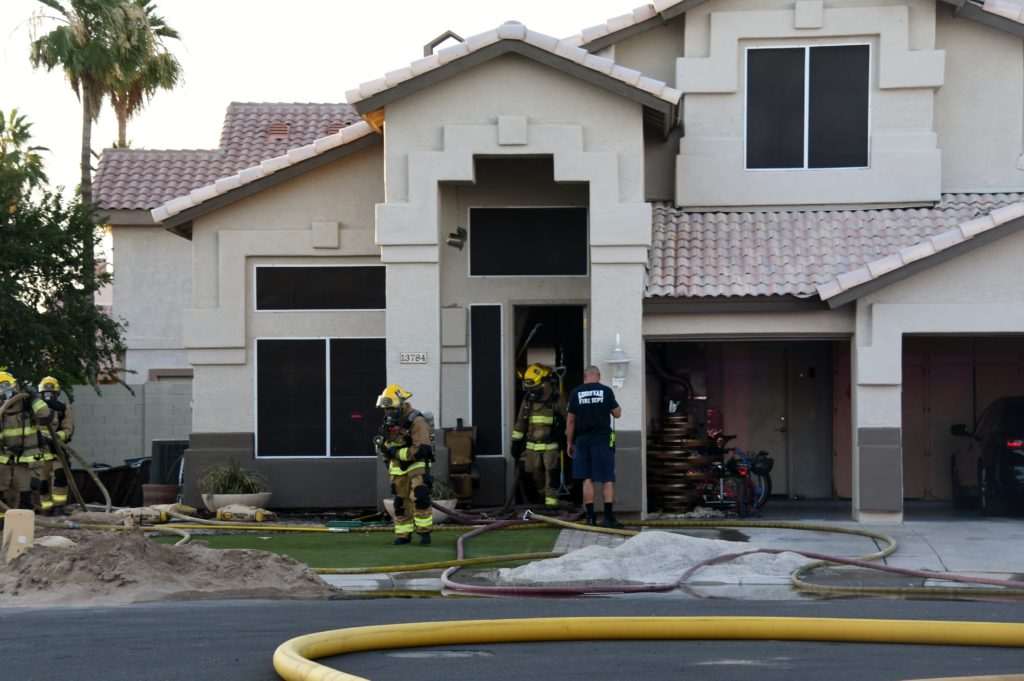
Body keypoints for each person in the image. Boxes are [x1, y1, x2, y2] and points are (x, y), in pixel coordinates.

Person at [374, 384, 434, 545]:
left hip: (416, 466)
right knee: (400, 503)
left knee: (420, 496)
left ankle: (424, 533)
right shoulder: (388, 424)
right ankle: (403, 535)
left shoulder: (417, 421)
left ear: (401, 405)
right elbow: (385, 446)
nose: (389, 412)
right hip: (397, 470)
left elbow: (422, 449)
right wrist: (384, 451)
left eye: (392, 409)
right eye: (386, 409)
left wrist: (396, 453)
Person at [566, 365, 623, 528]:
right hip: (604, 441)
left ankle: (590, 518)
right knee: (607, 479)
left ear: (585, 377)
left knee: (587, 479)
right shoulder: (606, 391)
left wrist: (569, 442)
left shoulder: (575, 393)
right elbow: (617, 414)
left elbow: (570, 421)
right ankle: (608, 517)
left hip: (582, 442)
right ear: (599, 376)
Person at [511, 363, 566, 508]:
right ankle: (542, 496)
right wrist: (515, 441)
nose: (531, 390)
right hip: (532, 445)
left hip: (551, 445)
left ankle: (551, 504)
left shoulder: (557, 398)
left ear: (544, 383)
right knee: (532, 473)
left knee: (552, 474)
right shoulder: (528, 400)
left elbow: (569, 420)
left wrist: (567, 438)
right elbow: (521, 422)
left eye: (533, 386)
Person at [0, 371, 53, 511]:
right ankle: (4, 522)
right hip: (5, 459)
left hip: (27, 460)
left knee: (24, 496)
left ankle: (23, 522)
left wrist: (34, 400)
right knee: (4, 496)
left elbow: (45, 416)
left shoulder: (27, 404)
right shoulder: (1, 411)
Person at [36, 376, 73, 515]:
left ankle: (59, 507)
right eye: (45, 393)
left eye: (51, 393)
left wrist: (57, 437)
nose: (48, 395)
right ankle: (46, 507)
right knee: (42, 481)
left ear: (57, 393)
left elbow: (68, 429)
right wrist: (39, 437)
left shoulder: (63, 408)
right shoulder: (34, 408)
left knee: (60, 476)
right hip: (40, 450)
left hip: (58, 450)